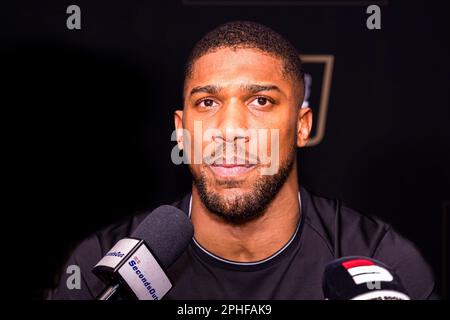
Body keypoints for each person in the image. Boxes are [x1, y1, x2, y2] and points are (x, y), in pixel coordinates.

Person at [51, 21, 436, 300]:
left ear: (302, 126)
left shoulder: (383, 263)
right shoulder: (103, 267)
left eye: (260, 101)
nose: (230, 128)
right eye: (207, 102)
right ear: (182, 131)